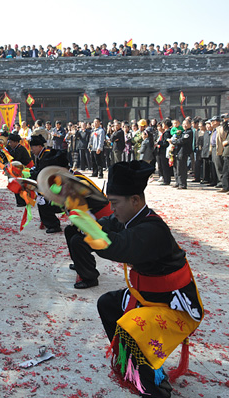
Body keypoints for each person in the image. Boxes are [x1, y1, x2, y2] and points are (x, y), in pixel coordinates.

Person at [95, 161, 203, 398]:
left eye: (115, 203)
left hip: (174, 305)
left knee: (131, 329)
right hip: (148, 296)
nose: (112, 209)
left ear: (135, 199)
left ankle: (155, 388)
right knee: (107, 304)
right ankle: (136, 367)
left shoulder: (152, 229)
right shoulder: (131, 218)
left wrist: (90, 230)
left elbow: (119, 245)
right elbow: (107, 224)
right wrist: (85, 223)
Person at [29, 134, 65, 233]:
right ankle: (47, 221)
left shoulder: (47, 155)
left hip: (59, 185)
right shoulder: (41, 155)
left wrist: (31, 174)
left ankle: (54, 225)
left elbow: (43, 172)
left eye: (33, 147)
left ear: (39, 146)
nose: (31, 150)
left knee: (42, 200)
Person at [6, 133, 32, 206]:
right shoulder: (15, 148)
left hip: (26, 169)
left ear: (16, 142)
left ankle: (22, 201)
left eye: (11, 142)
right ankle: (21, 201)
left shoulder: (20, 149)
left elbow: (15, 159)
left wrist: (6, 152)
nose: (10, 144)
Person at [170, 119, 193, 189]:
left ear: (190, 124)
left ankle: (182, 184)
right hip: (178, 151)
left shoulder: (189, 132)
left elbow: (182, 140)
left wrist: (174, 141)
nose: (184, 126)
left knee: (181, 168)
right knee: (176, 168)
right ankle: (178, 182)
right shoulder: (184, 132)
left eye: (186, 124)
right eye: (183, 124)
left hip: (183, 152)